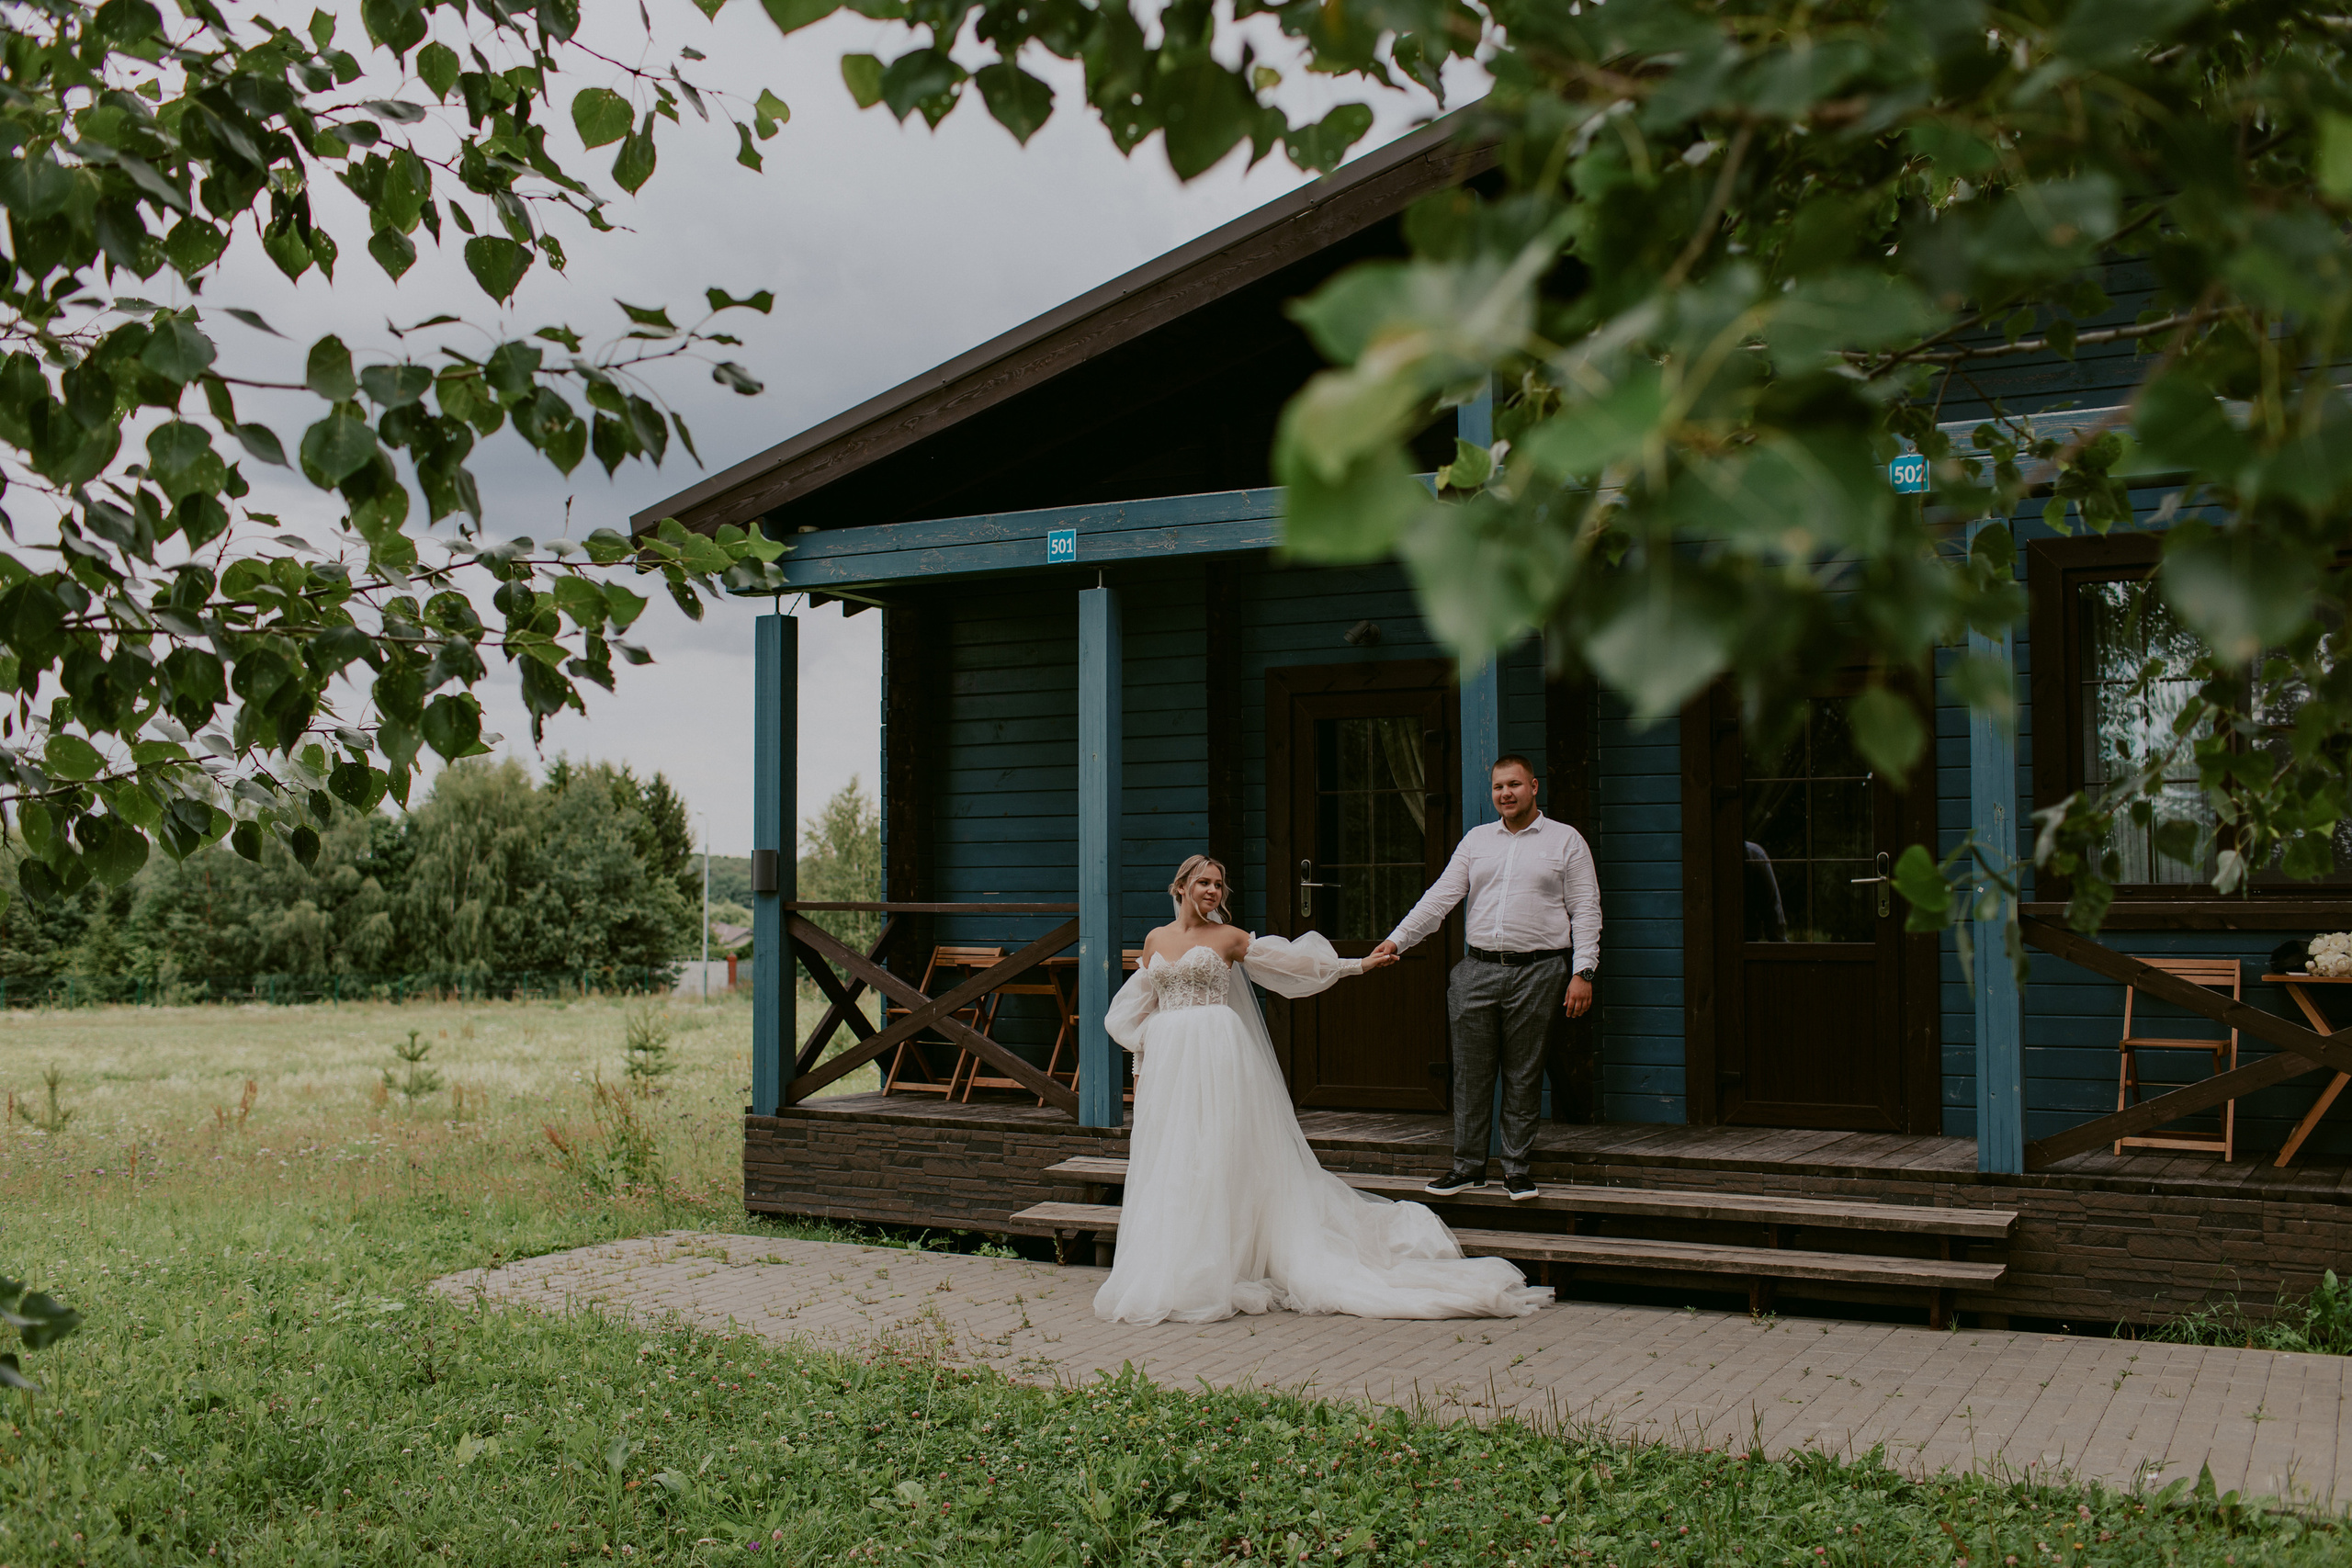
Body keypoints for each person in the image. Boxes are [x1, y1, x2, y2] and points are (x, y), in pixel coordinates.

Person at [1094, 854, 1554, 1326]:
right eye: (1204, 883)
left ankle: (1220, 1261)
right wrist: (1150, 1043)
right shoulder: (1155, 940)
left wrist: (1358, 964)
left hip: (1218, 1052)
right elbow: (1135, 1003)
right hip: (1172, 1060)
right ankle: (1174, 1262)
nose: (1213, 891)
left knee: (1219, 1148)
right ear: (1182, 886)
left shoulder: (1229, 938)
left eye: (1219, 884)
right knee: (1176, 1154)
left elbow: (1292, 966)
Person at [1371, 754, 1601, 1203]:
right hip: (1476, 970)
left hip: (1540, 970)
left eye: (1514, 785)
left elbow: (1586, 909)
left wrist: (1583, 971)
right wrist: (1397, 941)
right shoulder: (1477, 841)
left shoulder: (1565, 841)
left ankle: (1516, 1170)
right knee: (1471, 1073)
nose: (1505, 794)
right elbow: (1439, 899)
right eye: (1498, 787)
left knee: (1523, 1072)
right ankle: (1468, 1167)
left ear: (1534, 786)